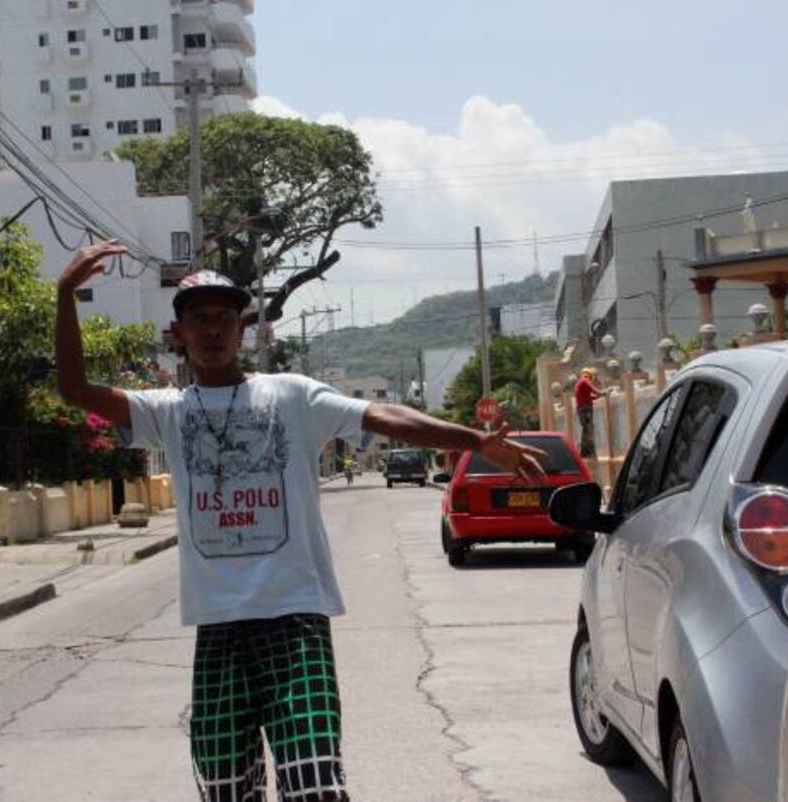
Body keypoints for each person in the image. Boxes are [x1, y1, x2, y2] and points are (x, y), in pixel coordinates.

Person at [55, 242, 545, 802]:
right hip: (218, 625)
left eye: (223, 319)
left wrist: (474, 441)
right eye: (199, 320)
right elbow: (76, 392)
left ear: (242, 331)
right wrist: (67, 294)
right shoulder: (166, 410)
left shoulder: (291, 394)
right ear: (179, 332)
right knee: (223, 787)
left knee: (315, 782)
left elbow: (385, 416)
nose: (212, 331)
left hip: (295, 619)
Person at [574, 368, 605, 458]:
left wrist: (599, 395)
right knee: (589, 430)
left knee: (586, 431)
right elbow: (594, 390)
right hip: (586, 410)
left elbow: (589, 397)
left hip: (581, 410)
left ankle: (584, 453)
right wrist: (603, 392)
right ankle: (590, 453)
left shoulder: (579, 384)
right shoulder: (584, 381)